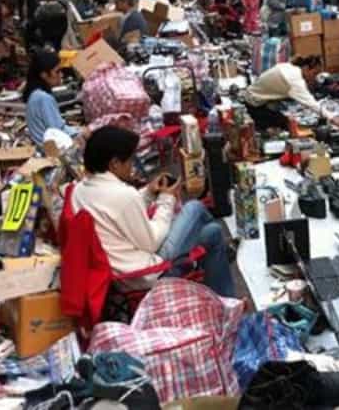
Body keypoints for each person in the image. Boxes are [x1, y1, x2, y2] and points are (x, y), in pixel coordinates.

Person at [72, 126, 235, 297]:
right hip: (147, 273)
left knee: (213, 233)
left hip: (119, 271)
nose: (132, 166)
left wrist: (149, 193)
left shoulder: (80, 189)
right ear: (114, 164)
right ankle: (218, 260)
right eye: (129, 160)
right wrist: (166, 199)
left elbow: (117, 210)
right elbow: (152, 242)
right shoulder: (123, 195)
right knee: (194, 208)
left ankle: (225, 303)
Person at [244, 56, 339, 131]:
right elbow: (311, 103)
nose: (314, 78)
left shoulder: (291, 67)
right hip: (254, 104)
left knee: (285, 117)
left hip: (255, 96)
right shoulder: (294, 80)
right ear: (306, 69)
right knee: (286, 124)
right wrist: (332, 117)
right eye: (314, 73)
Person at [23, 48, 83, 147]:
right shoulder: (43, 98)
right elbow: (58, 130)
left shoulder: (35, 94)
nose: (61, 75)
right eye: (57, 71)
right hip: (52, 149)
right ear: (44, 75)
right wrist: (81, 131)